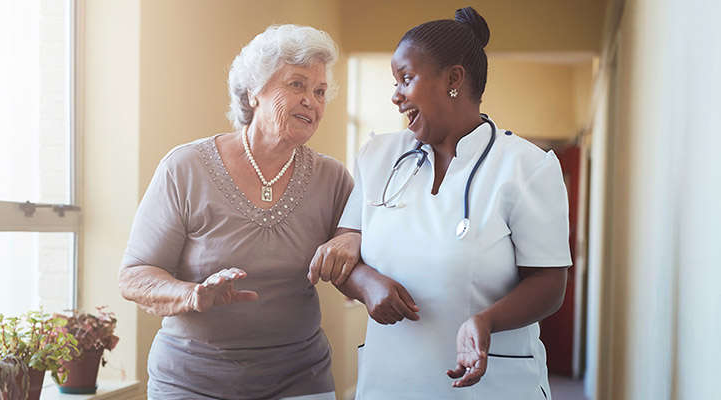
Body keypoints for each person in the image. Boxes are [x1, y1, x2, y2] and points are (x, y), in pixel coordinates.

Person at [312, 7, 571, 399]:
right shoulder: (378, 155)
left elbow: (550, 282)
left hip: (490, 385)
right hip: (391, 380)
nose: (396, 95)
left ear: (453, 79)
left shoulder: (526, 167)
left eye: (406, 79)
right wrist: (367, 284)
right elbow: (345, 249)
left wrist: (486, 321)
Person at [119, 24, 354, 400]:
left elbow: (365, 251)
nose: (312, 100)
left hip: (299, 377)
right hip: (192, 379)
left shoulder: (333, 178)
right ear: (253, 91)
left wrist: (355, 239)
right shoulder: (186, 167)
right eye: (297, 85)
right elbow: (134, 276)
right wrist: (194, 295)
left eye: (320, 91)